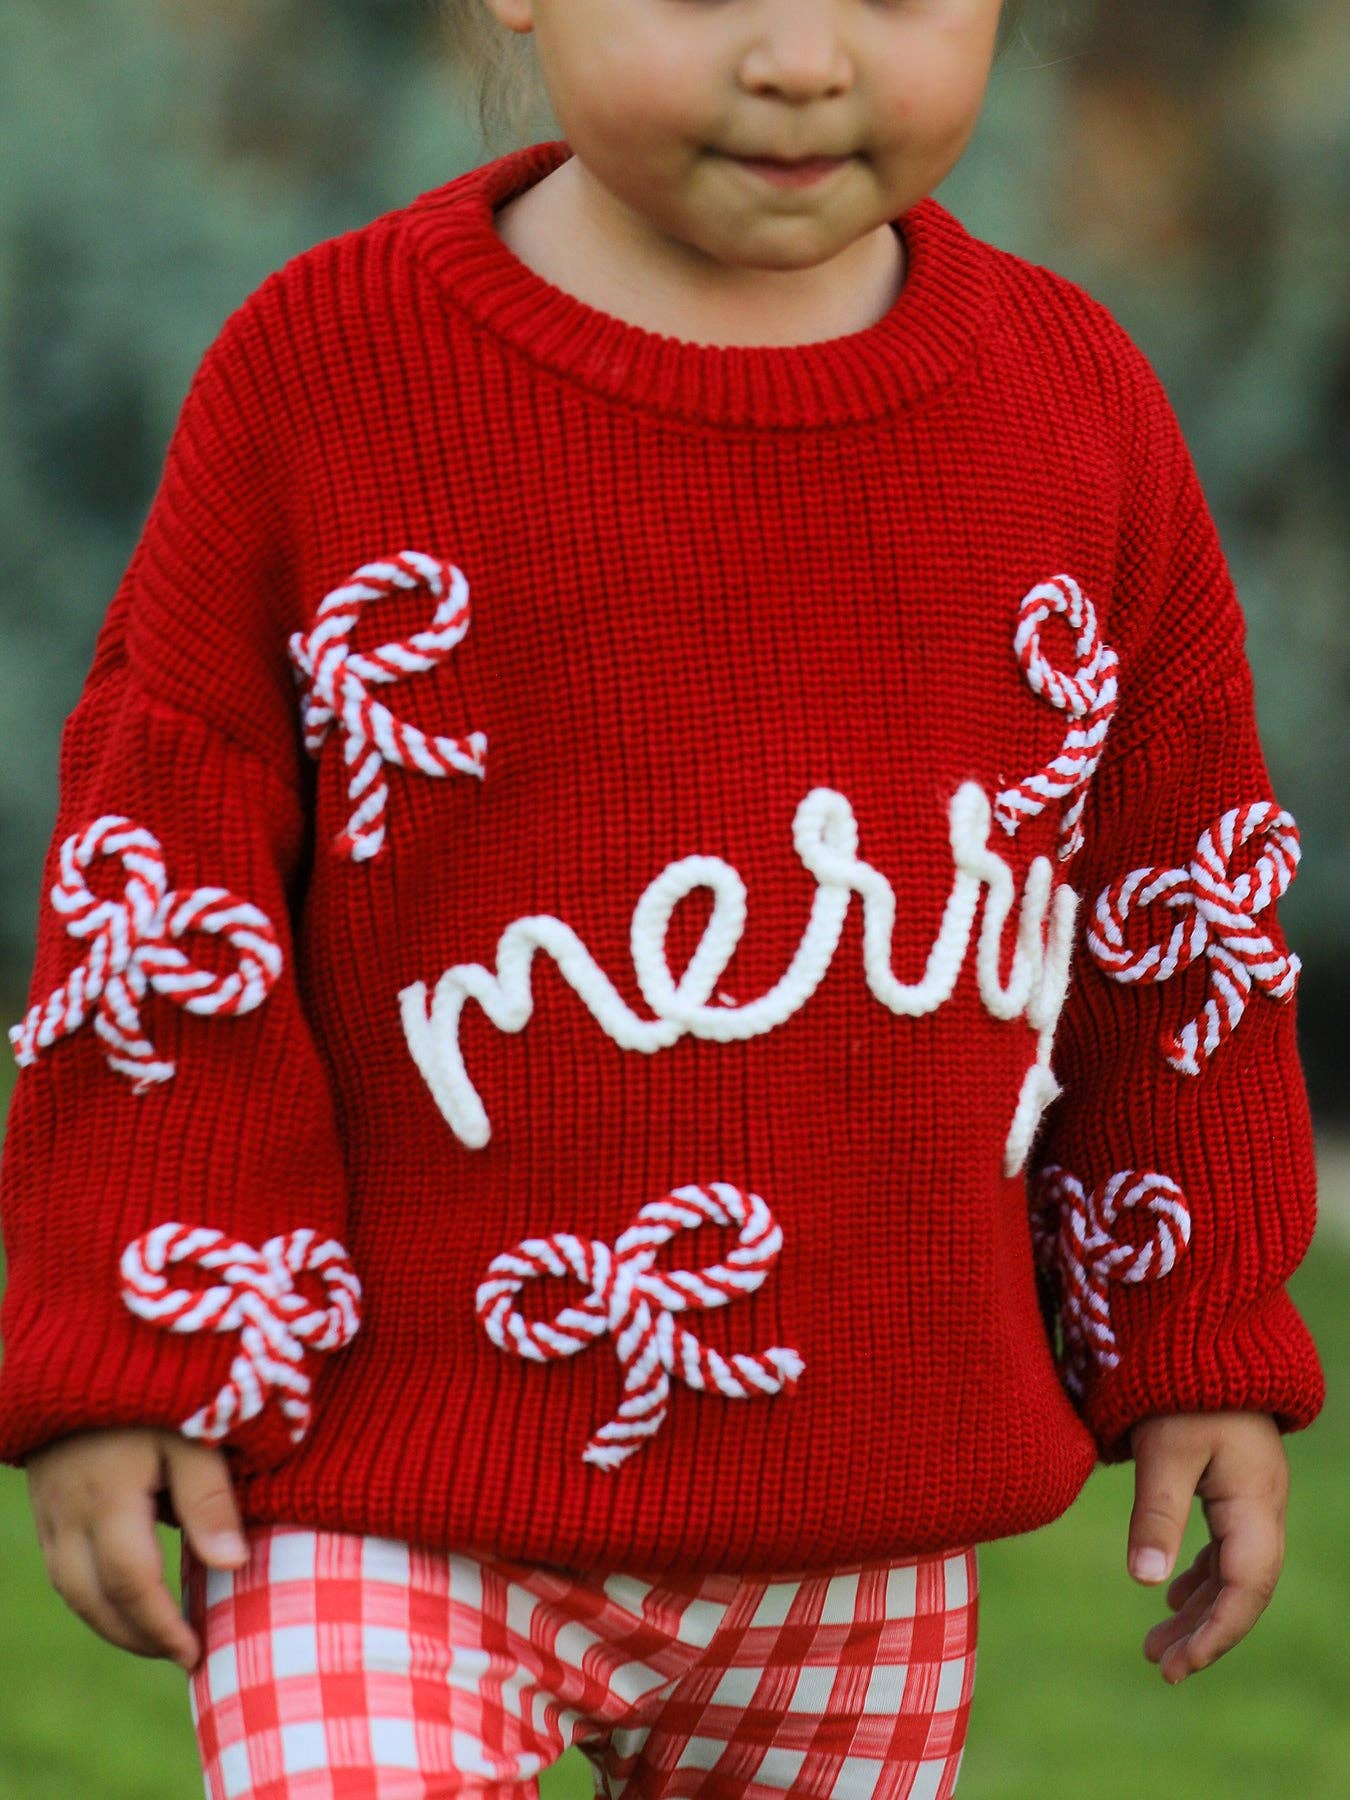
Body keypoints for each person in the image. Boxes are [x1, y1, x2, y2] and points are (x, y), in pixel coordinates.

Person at [0, 2, 1326, 1796]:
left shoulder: (1067, 401)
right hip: (385, 1496)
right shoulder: (331, 370)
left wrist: (1194, 1337)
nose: (801, 58)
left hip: (862, 1526)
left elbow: (1176, 911)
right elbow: (164, 882)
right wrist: (136, 1348)